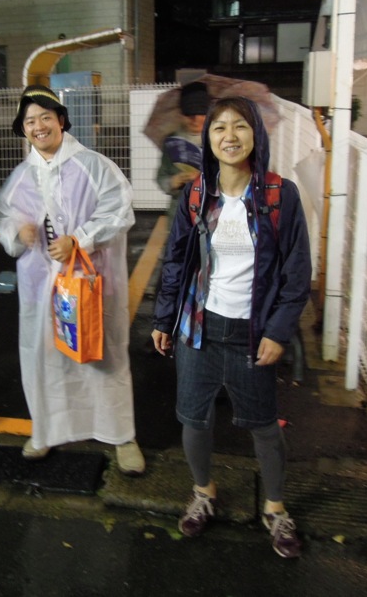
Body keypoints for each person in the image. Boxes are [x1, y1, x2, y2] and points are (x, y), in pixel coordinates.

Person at [151, 96, 312, 558]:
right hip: (198, 328)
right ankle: (204, 493)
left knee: (263, 425)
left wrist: (278, 331)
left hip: (252, 331)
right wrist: (164, 317)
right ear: (209, 139)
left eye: (239, 126)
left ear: (255, 135)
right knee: (194, 419)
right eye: (219, 128)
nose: (229, 136)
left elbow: (296, 273)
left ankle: (276, 509)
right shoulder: (198, 194)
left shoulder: (280, 195)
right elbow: (177, 260)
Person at [0, 85, 146, 477]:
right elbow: (5, 218)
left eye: (46, 117)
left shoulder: (94, 166)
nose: (39, 126)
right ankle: (46, 429)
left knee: (103, 352)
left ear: (61, 120)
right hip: (41, 290)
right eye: (30, 121)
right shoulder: (22, 175)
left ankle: (120, 434)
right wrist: (17, 233)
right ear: (23, 130)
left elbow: (119, 210)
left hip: (91, 284)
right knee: (43, 356)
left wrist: (80, 240)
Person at [157, 82, 209, 228]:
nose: (196, 119)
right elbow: (161, 175)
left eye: (201, 114)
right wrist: (172, 181)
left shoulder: (219, 139)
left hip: (211, 212)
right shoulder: (172, 142)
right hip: (179, 213)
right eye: (189, 114)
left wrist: (203, 177)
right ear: (181, 114)